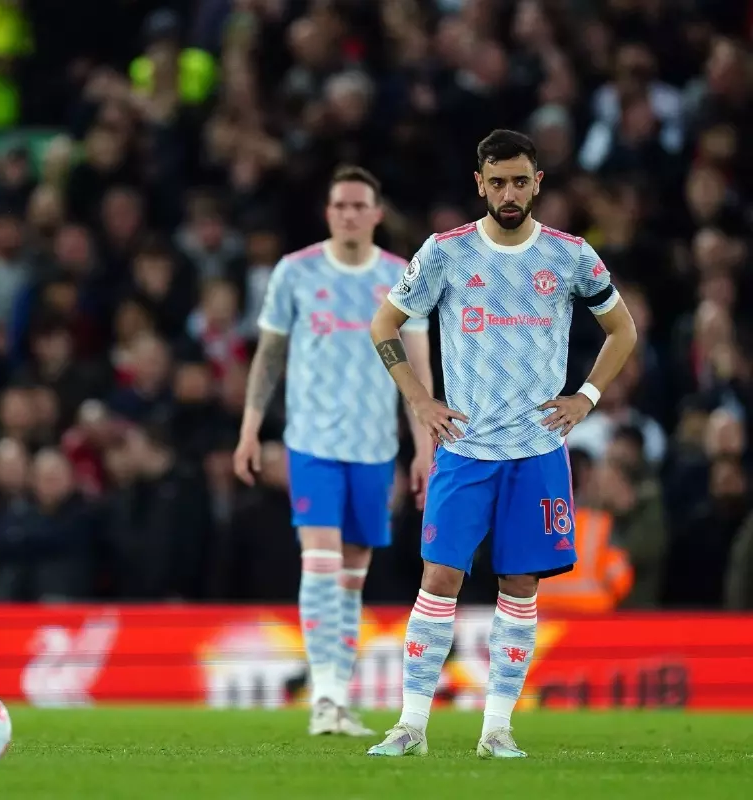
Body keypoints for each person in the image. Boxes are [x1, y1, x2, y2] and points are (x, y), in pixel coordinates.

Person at [366, 130, 637, 758]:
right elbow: (386, 323)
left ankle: (497, 730)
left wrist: (586, 397)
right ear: (479, 182)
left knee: (520, 588)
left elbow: (621, 330)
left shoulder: (571, 256)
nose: (509, 193)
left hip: (539, 450)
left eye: (520, 181)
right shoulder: (446, 253)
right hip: (464, 449)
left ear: (537, 182)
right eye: (497, 181)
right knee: (439, 580)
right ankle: (410, 726)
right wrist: (418, 399)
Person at [234, 166, 434, 736]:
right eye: (339, 205)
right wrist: (250, 429)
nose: (348, 214)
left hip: (374, 449)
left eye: (359, 206)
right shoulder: (295, 273)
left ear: (376, 214)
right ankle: (322, 696)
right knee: (320, 560)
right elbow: (268, 355)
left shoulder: (402, 279)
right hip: (312, 442)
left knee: (351, 576)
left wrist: (423, 448)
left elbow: (417, 370)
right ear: (329, 213)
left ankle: (336, 699)